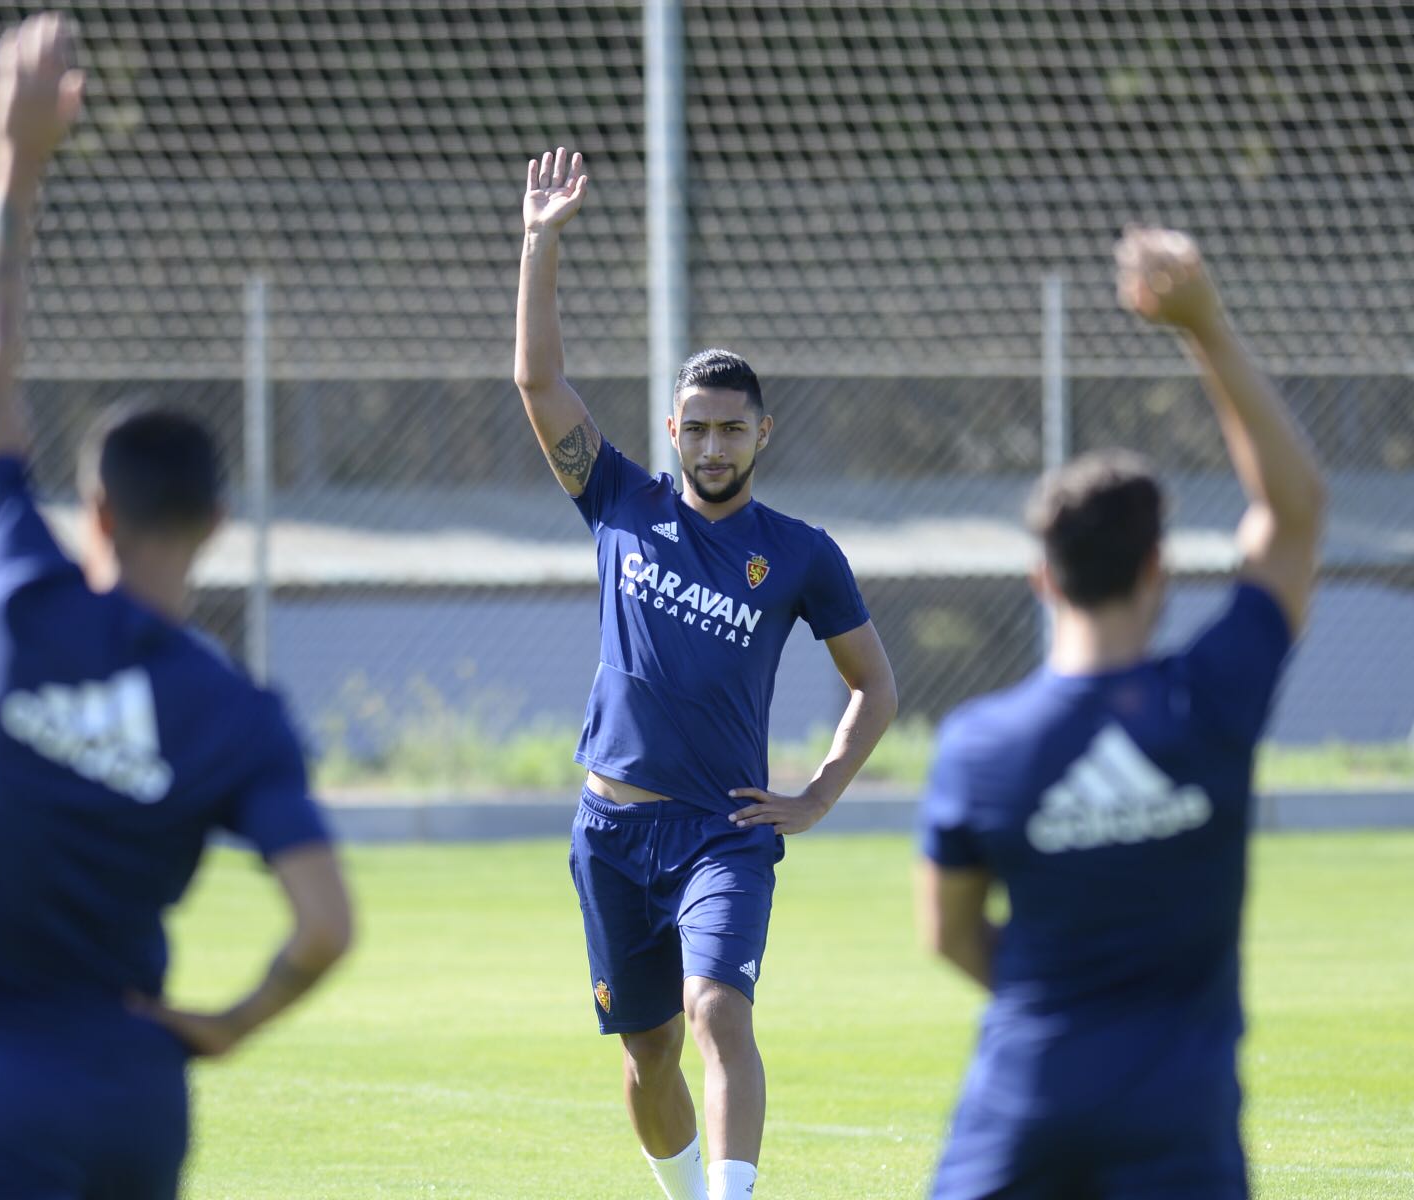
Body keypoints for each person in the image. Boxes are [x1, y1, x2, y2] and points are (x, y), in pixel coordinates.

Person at [0, 15, 353, 1198]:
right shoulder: (236, 713)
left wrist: (13, 172)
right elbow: (326, 924)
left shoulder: (16, 599)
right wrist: (232, 1023)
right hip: (139, 1097)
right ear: (217, 530)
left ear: (92, 513)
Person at [514, 146, 899, 1200]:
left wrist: (817, 795)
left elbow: (876, 684)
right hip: (608, 830)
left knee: (716, 1011)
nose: (714, 443)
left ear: (761, 433)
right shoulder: (621, 504)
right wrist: (539, 244)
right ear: (672, 430)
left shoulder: (804, 553)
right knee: (646, 1058)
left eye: (733, 428)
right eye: (697, 426)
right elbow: (538, 384)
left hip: (724, 831)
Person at [916, 226, 1326, 1199]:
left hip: (1020, 1115)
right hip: (1176, 1123)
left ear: (1039, 579)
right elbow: (1296, 510)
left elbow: (949, 936)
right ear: (1156, 567)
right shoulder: (1211, 697)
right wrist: (1202, 326)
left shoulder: (978, 748)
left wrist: (1068, 995)